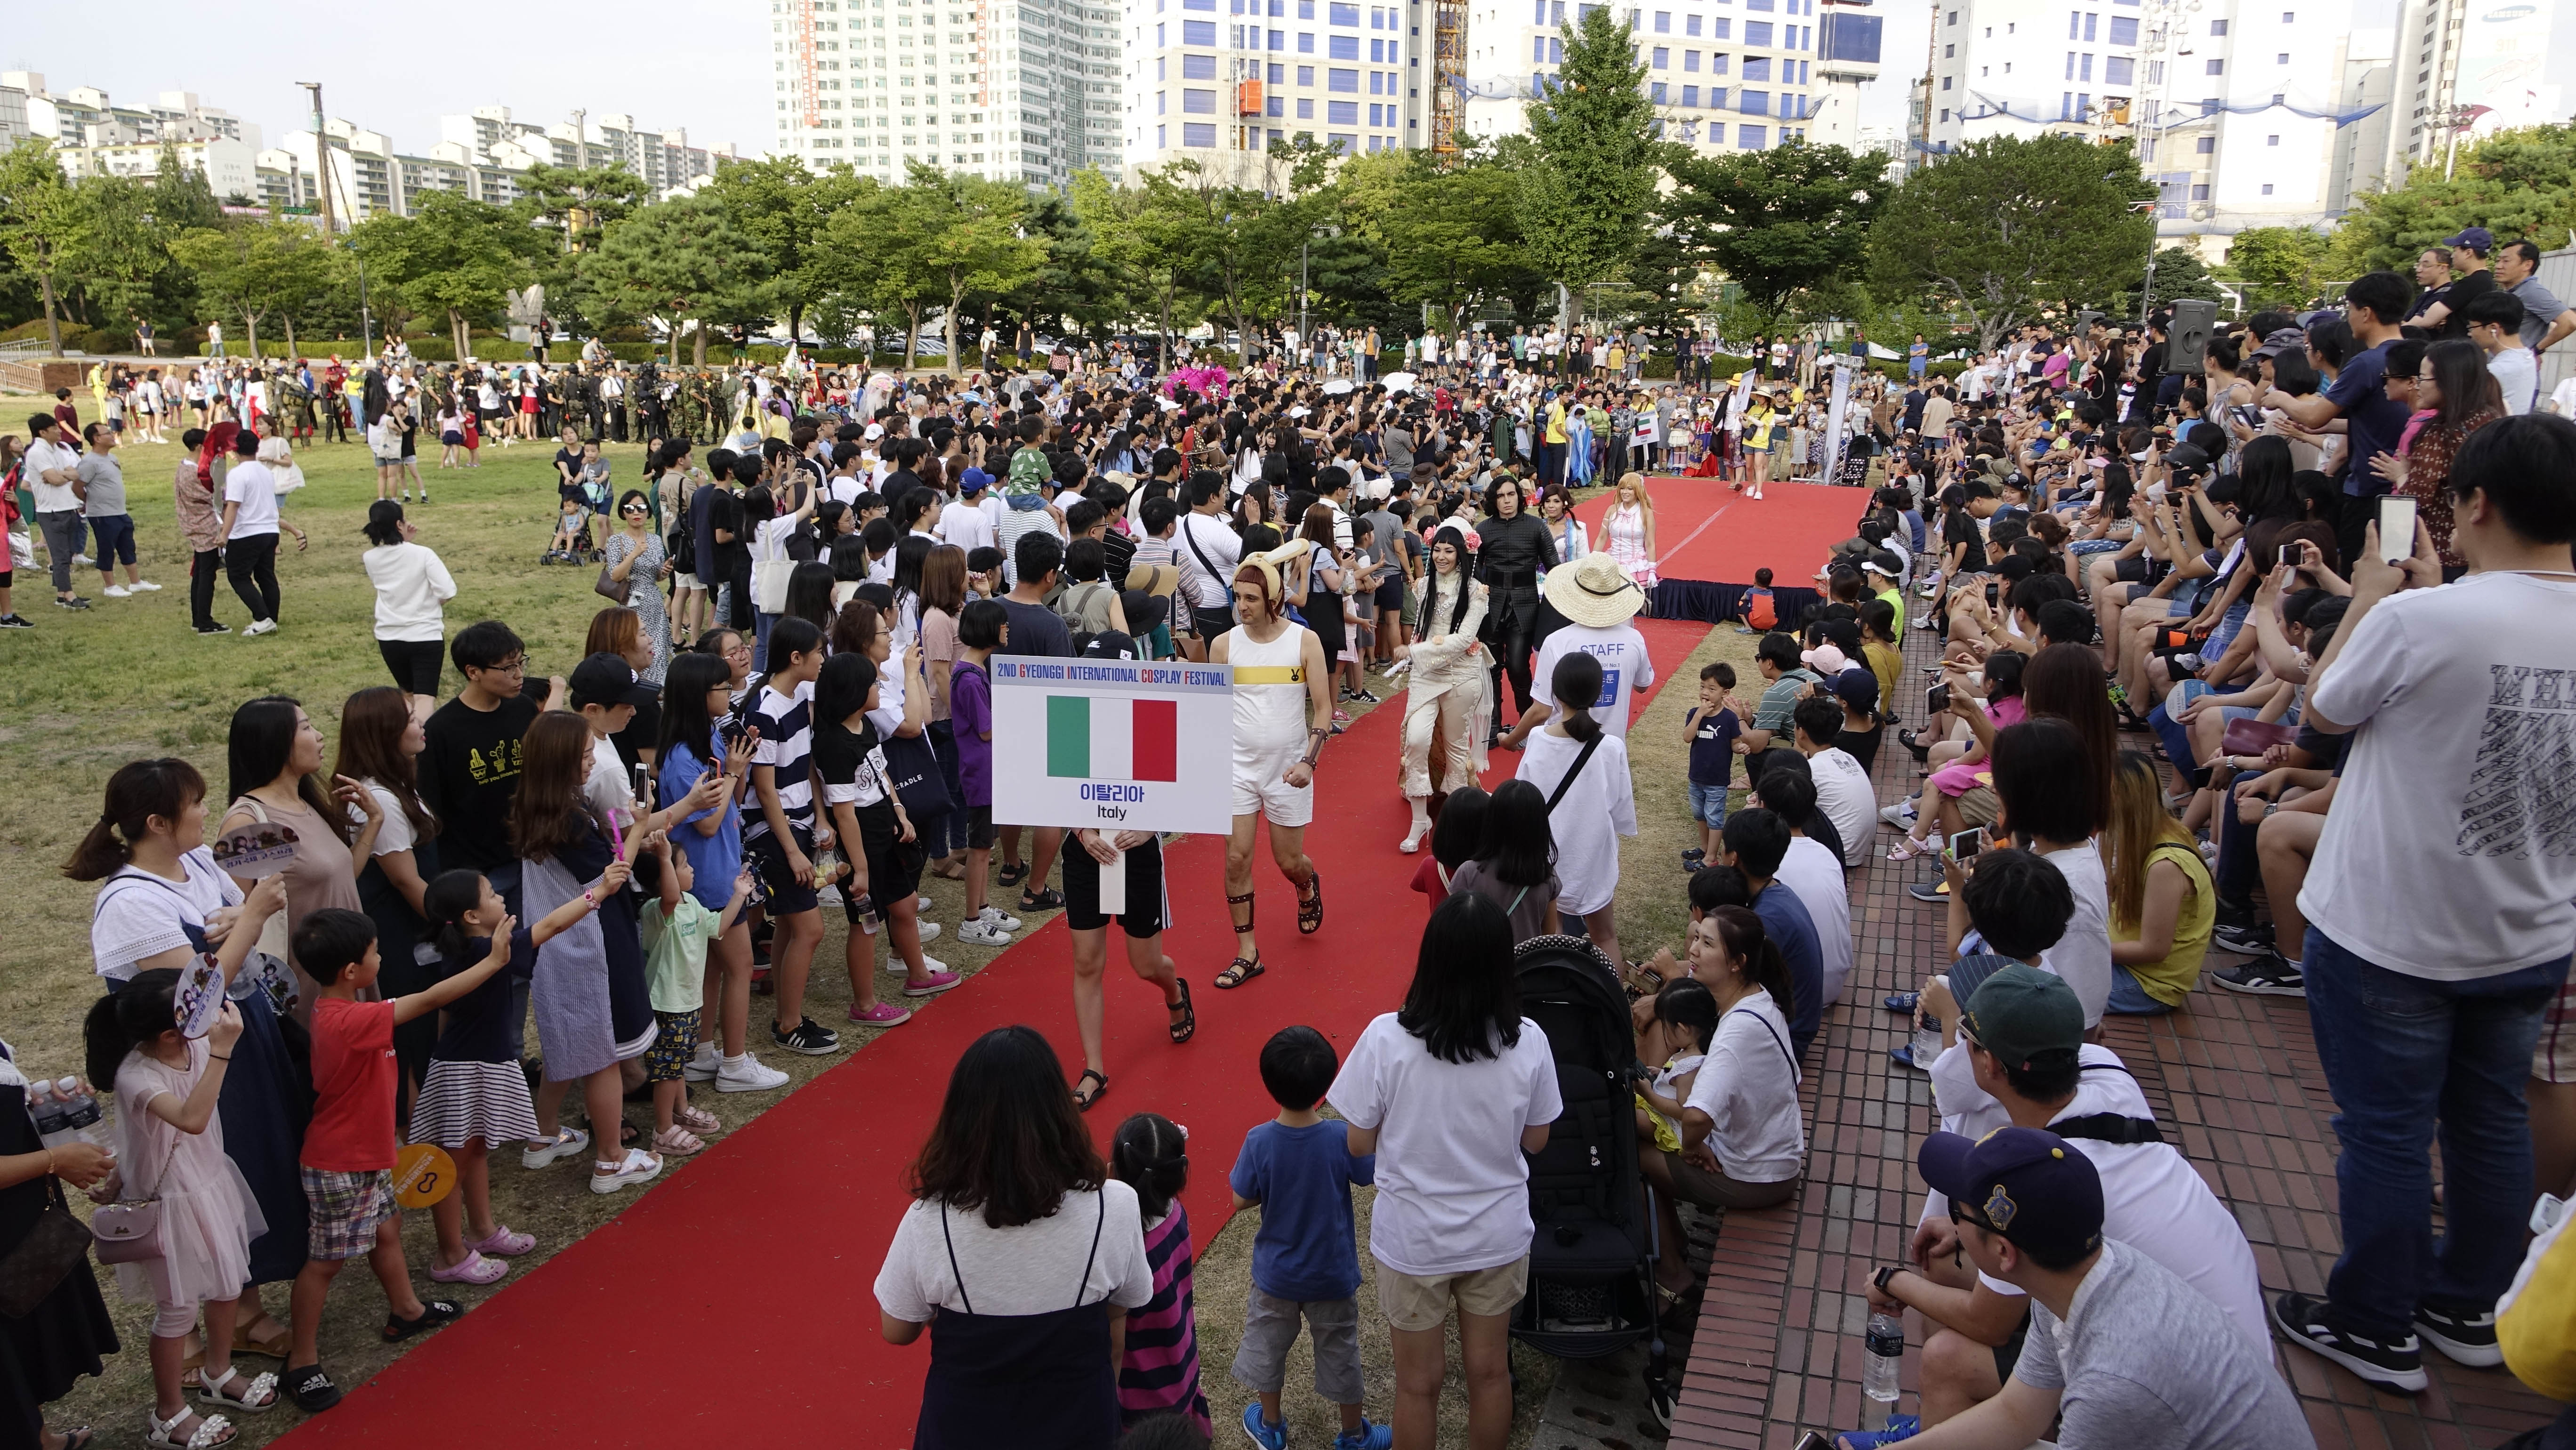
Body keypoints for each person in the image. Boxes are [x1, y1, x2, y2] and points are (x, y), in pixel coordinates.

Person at [2270, 415, 2576, 1394]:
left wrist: (2365, 596)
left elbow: (2321, 712)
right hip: (2532, 928)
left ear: (2475, 504)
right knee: (2488, 1119)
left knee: (2387, 1129)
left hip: (2395, 930)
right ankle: (2468, 1304)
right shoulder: (2463, 613)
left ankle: (2375, 1323)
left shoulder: (2420, 619)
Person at [1859, 1126, 2314, 1450]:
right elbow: (2017, 1415)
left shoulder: (2113, 1384)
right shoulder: (2079, 1276)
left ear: (2004, 1253)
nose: (1952, 1224)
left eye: (1958, 1216)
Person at [71, 759, 304, 1350]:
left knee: (250, 1167)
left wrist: (236, 917)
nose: (207, 812)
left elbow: (266, 867)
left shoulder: (197, 860)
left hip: (235, 1038)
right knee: (204, 1182)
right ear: (156, 821)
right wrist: (250, 918)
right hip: (190, 1060)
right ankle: (202, 1329)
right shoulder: (128, 901)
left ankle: (241, 1307)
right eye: (195, 803)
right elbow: (193, 1001)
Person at [1328, 894, 1562, 1450]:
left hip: (1414, 1241)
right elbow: (1538, 1137)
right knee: (1489, 1375)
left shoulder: (1386, 1038)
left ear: (1430, 959)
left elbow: (1358, 1140)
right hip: (1497, 1235)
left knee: (1416, 1386)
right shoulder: (1529, 1039)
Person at [875, 1026, 1156, 1450]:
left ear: (960, 1118)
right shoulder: (1114, 1206)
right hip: (1082, 1425)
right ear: (1059, 1110)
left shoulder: (929, 1219)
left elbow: (897, 1329)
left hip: (963, 1431)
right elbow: (1124, 1307)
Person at [279, 908, 514, 1412]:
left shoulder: (341, 1010)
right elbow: (431, 999)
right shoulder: (352, 1020)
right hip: (341, 1164)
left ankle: (406, 1309)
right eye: (374, 951)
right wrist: (494, 961)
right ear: (350, 970)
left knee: (387, 1232)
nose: (380, 957)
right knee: (325, 1264)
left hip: (367, 1155)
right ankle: (301, 1362)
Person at [82, 976, 281, 1447]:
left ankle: (218, 1370)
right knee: (177, 1308)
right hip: (173, 1203)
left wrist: (210, 1050)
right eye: (195, 1009)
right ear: (171, 1033)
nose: (209, 1011)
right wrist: (222, 1051)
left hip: (211, 1182)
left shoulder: (192, 1045)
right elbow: (191, 1119)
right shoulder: (137, 1075)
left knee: (231, 1281)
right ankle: (168, 1412)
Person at [409, 867, 595, 1284]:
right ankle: (450, 1255)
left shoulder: (468, 949)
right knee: (453, 1164)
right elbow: (550, 925)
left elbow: (447, 1014)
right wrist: (597, 892)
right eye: (491, 895)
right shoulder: (485, 953)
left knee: (476, 1152)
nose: (501, 899)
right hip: (466, 1070)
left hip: (471, 1065)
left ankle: (482, 1231)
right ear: (472, 916)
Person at [507, 712, 661, 1194]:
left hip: (556, 939)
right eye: (584, 755)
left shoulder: (533, 804)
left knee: (564, 1040)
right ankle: (612, 1159)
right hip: (590, 942)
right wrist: (637, 827)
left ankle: (543, 1133)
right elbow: (609, 880)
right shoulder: (569, 818)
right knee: (604, 1055)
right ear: (558, 762)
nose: (592, 761)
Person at [1231, 1026, 1393, 1450]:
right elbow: (1367, 1174)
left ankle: (1270, 1425)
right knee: (1341, 1350)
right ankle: (1354, 1435)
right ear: (1327, 1085)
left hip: (1276, 1277)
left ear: (1269, 1083)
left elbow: (1239, 1199)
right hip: (1332, 1273)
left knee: (1268, 1346)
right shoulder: (1340, 1137)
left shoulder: (1259, 1140)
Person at [654, 650, 786, 1094]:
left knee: (713, 970)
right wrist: (731, 772)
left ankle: (703, 1052)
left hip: (722, 867)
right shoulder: (678, 760)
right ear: (698, 695)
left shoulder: (709, 737)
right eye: (723, 688)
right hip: (708, 878)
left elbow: (733, 797)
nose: (731, 693)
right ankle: (734, 1063)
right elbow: (707, 822)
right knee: (741, 964)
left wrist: (739, 765)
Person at [1211, 541, 1334, 991]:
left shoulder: (1305, 641)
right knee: (1237, 857)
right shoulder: (1223, 646)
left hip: (1289, 770)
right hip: (1237, 769)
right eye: (1237, 596)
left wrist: (1309, 763)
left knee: (1288, 861)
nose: (1241, 606)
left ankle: (1306, 884)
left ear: (1274, 600)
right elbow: (1213, 714)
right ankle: (1248, 953)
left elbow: (1323, 709)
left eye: (1251, 598)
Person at [216, 697, 381, 1021]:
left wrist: (374, 823)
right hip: (306, 988)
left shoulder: (307, 803)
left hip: (347, 970)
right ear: (276, 742)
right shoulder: (248, 821)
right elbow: (235, 914)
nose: (320, 736)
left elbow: (338, 879)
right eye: (306, 728)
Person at [741, 615, 840, 1058]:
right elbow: (764, 790)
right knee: (810, 929)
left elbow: (805, 767)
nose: (824, 659)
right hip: (773, 832)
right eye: (819, 652)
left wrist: (820, 819)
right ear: (796, 658)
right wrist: (792, 852)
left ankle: (788, 1012)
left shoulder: (798, 695)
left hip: (799, 824)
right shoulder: (763, 709)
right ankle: (788, 1025)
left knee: (793, 925)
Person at [1669, 903, 1806, 1221]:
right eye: (1696, 938)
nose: (1693, 949)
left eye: (1707, 943)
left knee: (1635, 1149)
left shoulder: (1736, 1032)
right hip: (1774, 1161)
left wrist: (1692, 1148)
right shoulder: (1758, 997)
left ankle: (1673, 1266)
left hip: (1755, 1178)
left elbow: (1696, 1118)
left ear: (1737, 963)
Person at [635, 834, 752, 1157]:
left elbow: (718, 928)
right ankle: (662, 1130)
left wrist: (739, 895)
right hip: (666, 1004)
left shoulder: (693, 904)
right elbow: (669, 895)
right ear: (664, 878)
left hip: (688, 1002)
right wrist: (663, 857)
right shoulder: (657, 910)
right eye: (684, 865)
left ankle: (680, 1111)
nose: (692, 869)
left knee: (679, 1064)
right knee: (667, 1070)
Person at [1109, 1113, 1211, 1438]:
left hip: (1140, 1392)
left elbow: (1114, 1339)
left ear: (1116, 1172)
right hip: (1180, 1362)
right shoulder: (1175, 1214)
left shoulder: (1124, 1248)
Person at [1394, 523, 1489, 851]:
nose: (1442, 557)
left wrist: (1415, 651)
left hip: (1462, 673)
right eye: (1437, 550)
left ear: (1463, 553)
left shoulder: (1477, 591)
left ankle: (1457, 820)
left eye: (1450, 551)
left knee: (1455, 748)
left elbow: (1464, 641)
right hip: (1426, 674)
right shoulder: (1423, 586)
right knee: (1417, 740)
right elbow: (1421, 629)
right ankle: (1420, 820)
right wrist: (1415, 652)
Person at [2101, 750, 2214, 1014]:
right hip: (2122, 963)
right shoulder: (2157, 832)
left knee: (2041, 990)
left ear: (2122, 802)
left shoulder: (2166, 865)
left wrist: (2085, 948)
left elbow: (2153, 949)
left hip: (2146, 985)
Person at [1506, 553, 1655, 749]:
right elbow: (1642, 685)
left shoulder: (1557, 642)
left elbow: (1542, 710)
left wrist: (1510, 740)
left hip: (1562, 746)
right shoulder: (1633, 639)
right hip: (1610, 747)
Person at [948, 599, 1023, 948]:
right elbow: (987, 730)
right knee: (979, 848)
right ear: (990, 631)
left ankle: (983, 907)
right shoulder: (970, 678)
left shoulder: (973, 671)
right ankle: (972, 920)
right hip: (982, 772)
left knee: (985, 843)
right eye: (1003, 624)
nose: (1007, 628)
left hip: (986, 770)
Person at [360, 501, 456, 723]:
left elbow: (397, 570)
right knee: (425, 699)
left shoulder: (370, 558)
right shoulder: (423, 554)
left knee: (407, 695)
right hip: (424, 636)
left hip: (390, 637)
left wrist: (404, 541)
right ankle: (421, 745)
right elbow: (448, 590)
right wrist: (429, 604)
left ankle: (407, 743)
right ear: (399, 524)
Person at [1476, 476, 1558, 735]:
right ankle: (1492, 725)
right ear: (1493, 500)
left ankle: (1528, 723)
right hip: (1491, 605)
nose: (1507, 500)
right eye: (1501, 496)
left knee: (1518, 666)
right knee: (1490, 667)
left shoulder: (1537, 527)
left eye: (1511, 495)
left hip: (1525, 604)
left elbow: (1554, 566)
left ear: (1519, 498)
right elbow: (1475, 569)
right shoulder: (1483, 530)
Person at [217, 430, 304, 636]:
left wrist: (224, 535)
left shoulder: (237, 474)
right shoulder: (265, 471)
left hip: (247, 532)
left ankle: (262, 617)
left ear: (236, 450)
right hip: (270, 530)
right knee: (266, 576)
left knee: (238, 576)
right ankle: (270, 617)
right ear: (257, 448)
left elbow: (234, 506)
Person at [76, 423, 154, 599]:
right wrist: (89, 502)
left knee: (127, 546)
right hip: (102, 514)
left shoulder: (112, 458)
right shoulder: (89, 462)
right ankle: (110, 586)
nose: (113, 435)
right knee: (106, 549)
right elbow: (78, 486)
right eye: (108, 433)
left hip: (120, 511)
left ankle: (136, 583)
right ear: (96, 439)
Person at [1682, 662, 1743, 868]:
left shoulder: (1729, 719)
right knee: (1700, 815)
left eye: (1711, 689)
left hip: (1717, 779)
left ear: (1725, 693)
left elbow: (1734, 743)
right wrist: (1699, 715)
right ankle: (1704, 847)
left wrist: (1741, 747)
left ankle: (1711, 858)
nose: (1705, 693)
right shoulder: (1694, 714)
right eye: (1702, 687)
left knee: (1715, 818)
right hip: (1696, 776)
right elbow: (1687, 737)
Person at [1601, 471, 1658, 591]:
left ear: (1637, 491)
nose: (1625, 492)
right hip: (1613, 564)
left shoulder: (1647, 513)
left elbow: (1650, 544)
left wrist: (1652, 570)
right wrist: (1592, 560)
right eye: (1622, 488)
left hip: (1636, 567)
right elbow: (1602, 538)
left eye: (1630, 489)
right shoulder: (1612, 510)